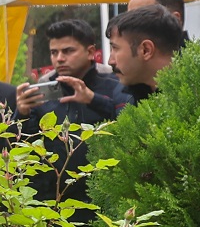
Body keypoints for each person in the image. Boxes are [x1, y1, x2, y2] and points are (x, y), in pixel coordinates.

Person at [14, 17, 131, 201]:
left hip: (107, 198)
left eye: (68, 51)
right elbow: (22, 149)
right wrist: (22, 114)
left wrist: (93, 100)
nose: (59, 58)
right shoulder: (42, 96)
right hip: (57, 202)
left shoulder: (116, 86)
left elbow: (128, 125)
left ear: (90, 52)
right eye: (54, 52)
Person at [107, 4, 186, 103]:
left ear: (146, 50)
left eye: (115, 48)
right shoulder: (135, 94)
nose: (110, 61)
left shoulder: (197, 99)